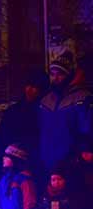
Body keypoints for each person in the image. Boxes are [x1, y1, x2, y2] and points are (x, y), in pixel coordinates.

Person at [39, 50, 93, 182]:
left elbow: (87, 128)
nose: (55, 78)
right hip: (48, 163)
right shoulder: (45, 102)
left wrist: (85, 150)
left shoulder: (82, 98)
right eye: (52, 74)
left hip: (73, 163)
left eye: (60, 74)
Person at [0, 70, 49, 186]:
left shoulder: (44, 112)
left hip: (33, 168)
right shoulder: (13, 111)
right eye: (28, 85)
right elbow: (0, 139)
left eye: (34, 87)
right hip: (8, 166)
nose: (29, 90)